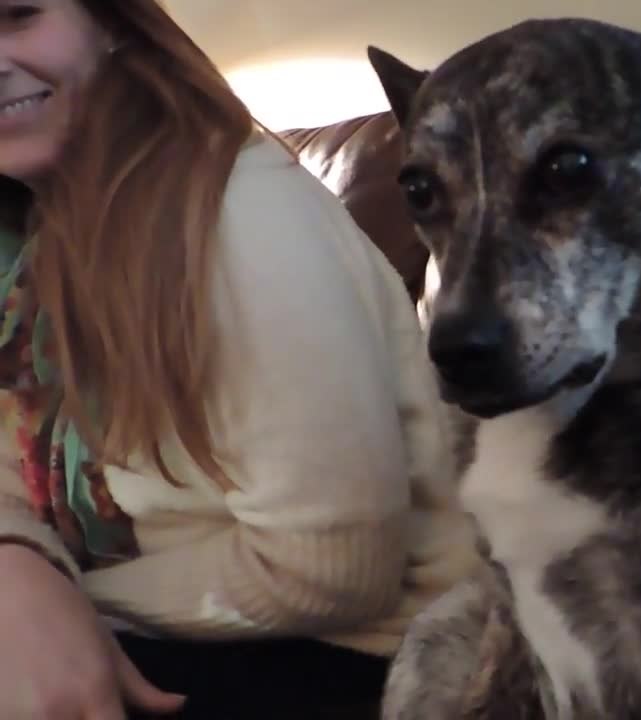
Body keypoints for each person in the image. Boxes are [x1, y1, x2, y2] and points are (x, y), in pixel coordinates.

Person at [0, 1, 478, 718]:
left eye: (18, 15)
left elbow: (329, 572)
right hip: (172, 629)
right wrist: (18, 568)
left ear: (115, 25)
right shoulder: (45, 249)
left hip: (369, 664)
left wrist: (56, 604)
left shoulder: (242, 215)